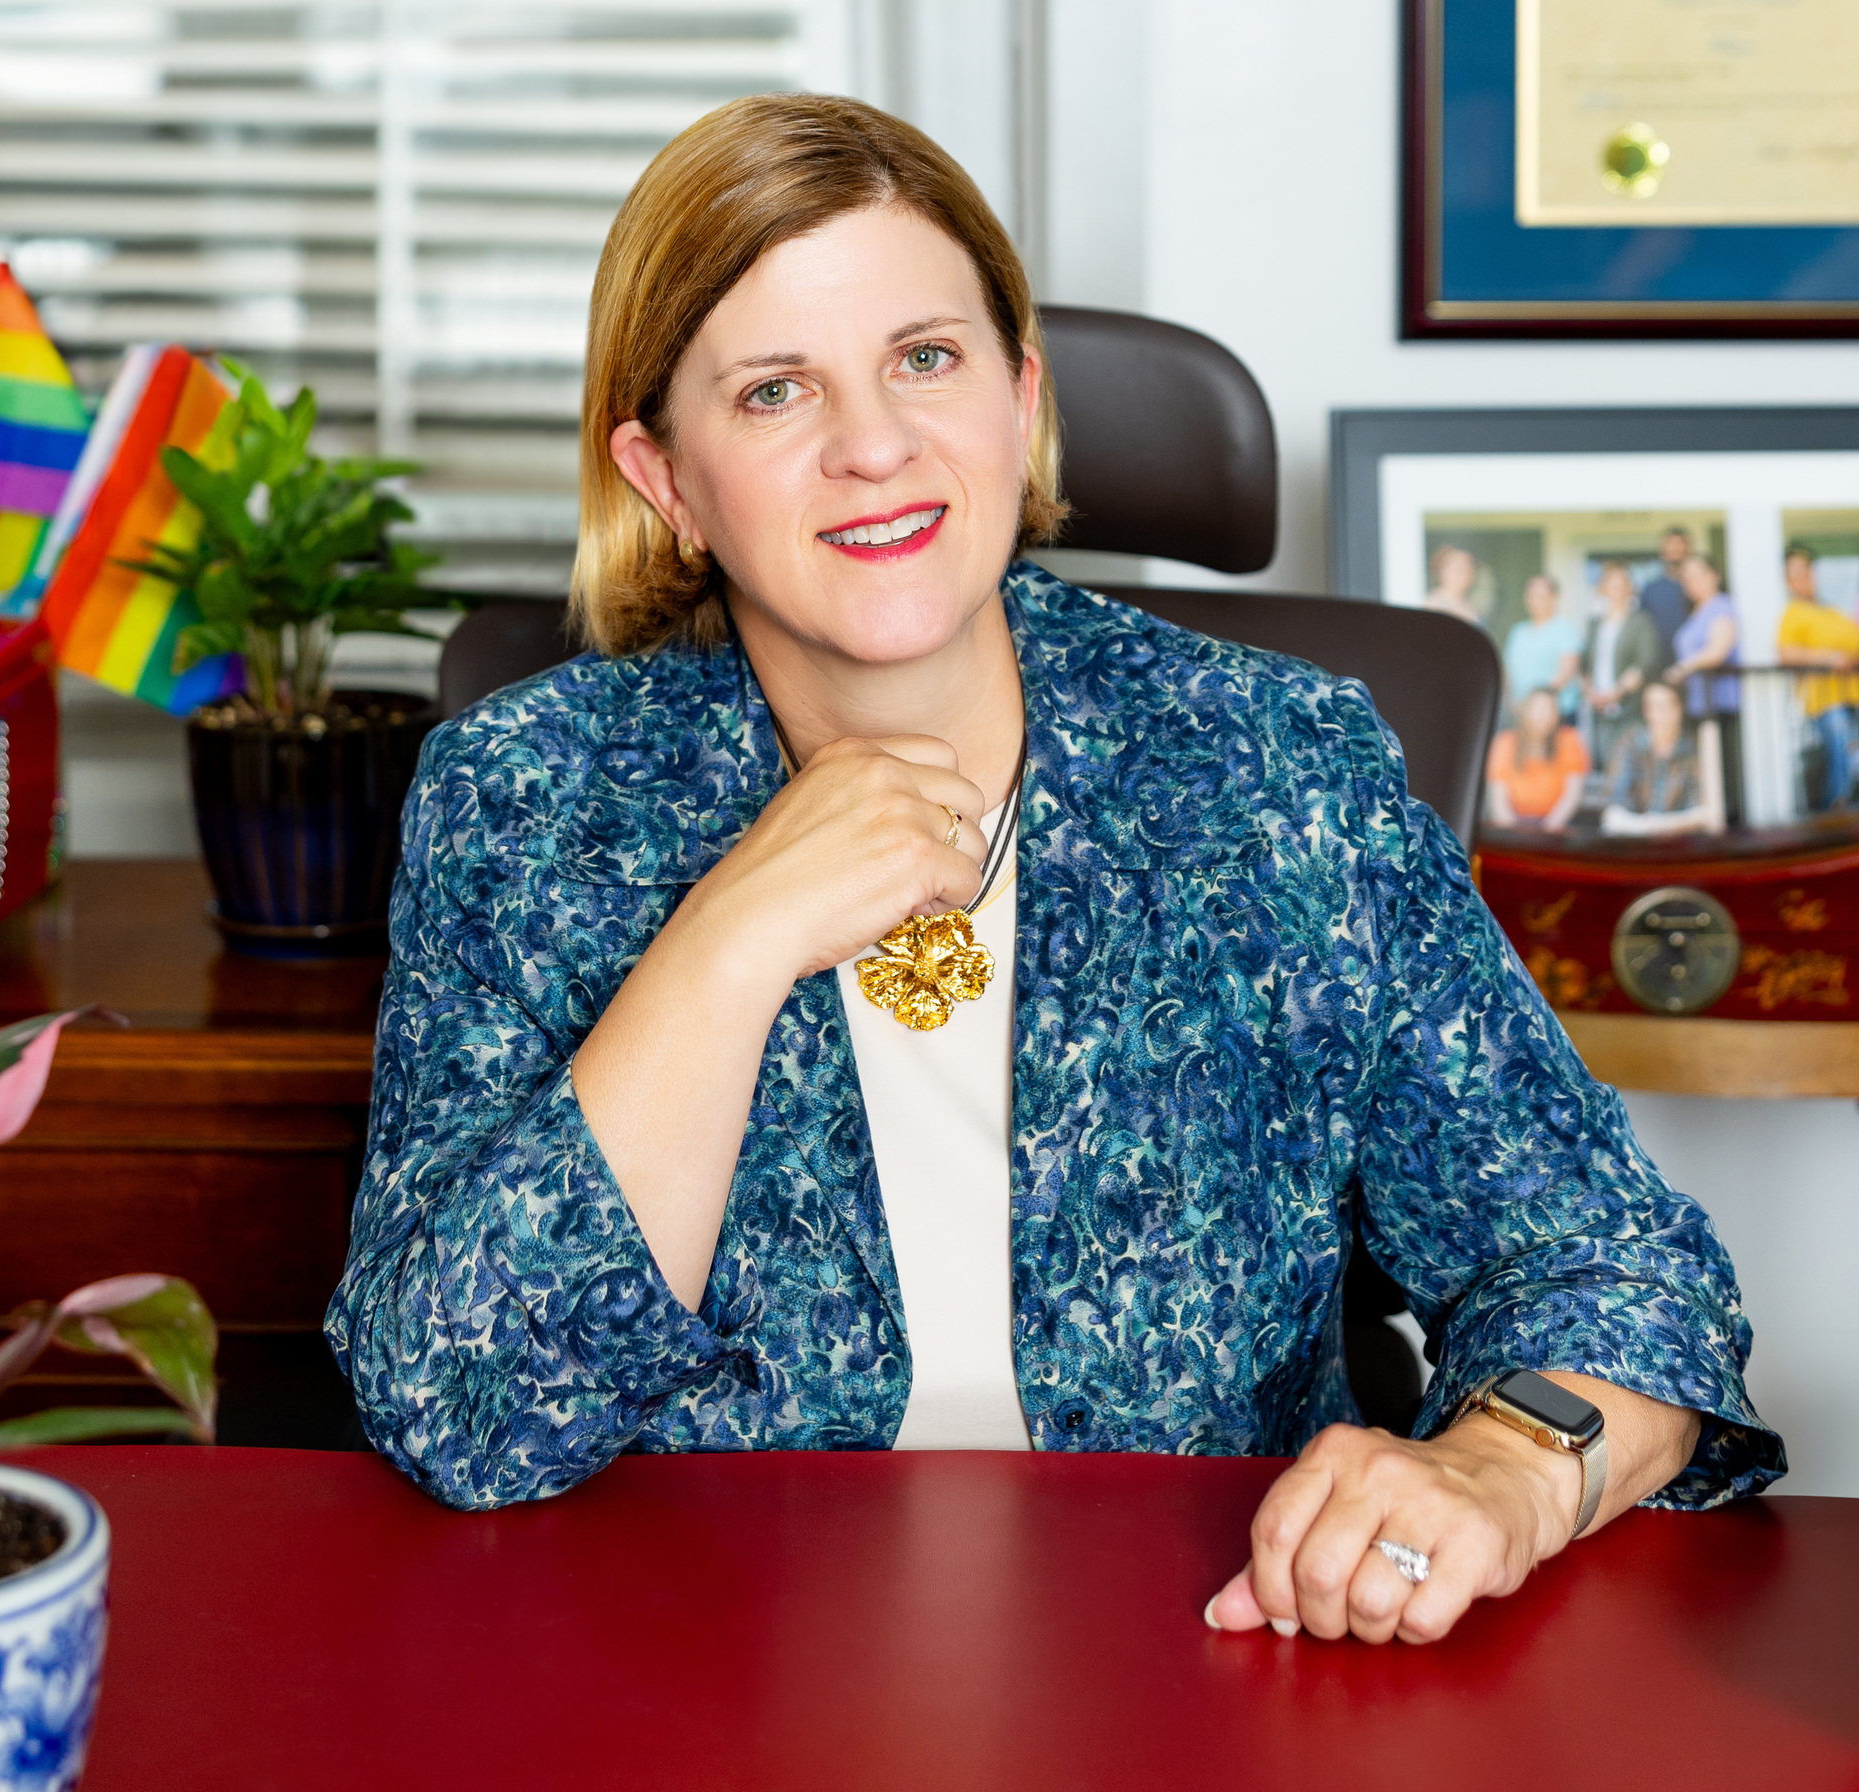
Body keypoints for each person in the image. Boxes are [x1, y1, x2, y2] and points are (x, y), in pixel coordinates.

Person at [328, 94, 1779, 1649]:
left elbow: (1614, 1265)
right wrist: (731, 938)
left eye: (927, 359)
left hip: (1203, 1659)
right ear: (666, 477)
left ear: (1020, 399)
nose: (874, 443)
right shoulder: (528, 798)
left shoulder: (1275, 769)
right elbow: (457, 1403)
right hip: (694, 1687)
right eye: (771, 392)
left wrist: (1502, 1464)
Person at [1775, 543, 1859, 810]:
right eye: (1794, 572)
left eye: (1806, 569)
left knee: (1849, 754)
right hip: (1825, 700)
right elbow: (1786, 654)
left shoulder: (1831, 610)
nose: (1802, 577)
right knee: (1841, 753)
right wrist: (1829, 658)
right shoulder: (1793, 612)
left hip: (1852, 696)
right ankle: (1836, 809)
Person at [1665, 553, 1741, 818]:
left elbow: (1717, 650)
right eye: (1686, 578)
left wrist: (1684, 667)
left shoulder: (1721, 606)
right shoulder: (1696, 611)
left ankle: (1727, 833)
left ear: (1714, 576)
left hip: (1718, 703)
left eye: (1698, 575)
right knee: (1705, 770)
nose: (1692, 582)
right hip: (1698, 704)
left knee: (1722, 772)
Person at [1602, 680, 1712, 836]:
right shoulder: (1629, 745)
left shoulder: (1694, 750)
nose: (1663, 713)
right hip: (1634, 842)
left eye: (1668, 705)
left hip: (1679, 844)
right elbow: (1614, 807)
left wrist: (1659, 826)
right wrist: (1646, 827)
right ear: (1646, 712)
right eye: (1656, 707)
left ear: (1680, 708)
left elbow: (1701, 811)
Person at [1582, 560, 1665, 747]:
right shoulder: (1594, 625)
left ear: (1631, 589)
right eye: (1612, 583)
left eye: (1622, 583)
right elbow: (1586, 665)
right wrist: (1590, 693)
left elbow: (1645, 663)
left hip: (1629, 709)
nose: (1617, 588)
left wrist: (1616, 693)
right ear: (1603, 589)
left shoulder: (1641, 622)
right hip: (1598, 711)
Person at [1485, 687, 1590, 830]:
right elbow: (1498, 801)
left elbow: (1572, 795)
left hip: (1556, 825)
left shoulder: (1570, 740)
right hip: (1511, 826)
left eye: (1549, 709)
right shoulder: (1504, 743)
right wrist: (1514, 834)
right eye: (1537, 708)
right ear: (1524, 711)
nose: (1542, 715)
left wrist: (1547, 830)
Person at [1502, 574, 1582, 720]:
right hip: (1521, 713)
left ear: (1554, 597)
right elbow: (1508, 672)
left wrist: (1537, 704)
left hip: (1556, 714)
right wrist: (1513, 703)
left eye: (1542, 595)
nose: (1537, 601)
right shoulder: (1518, 631)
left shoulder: (1564, 628)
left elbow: (1567, 670)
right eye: (1532, 595)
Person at [1639, 527, 1693, 644]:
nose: (1675, 548)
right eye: (1670, 543)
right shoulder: (1651, 589)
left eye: (1680, 543)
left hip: (1696, 657)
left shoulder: (1697, 586)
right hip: (1660, 657)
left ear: (1688, 549)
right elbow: (1643, 627)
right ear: (1662, 550)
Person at [1425, 544, 1485, 629]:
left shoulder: (1472, 606)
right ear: (1443, 572)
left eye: (1468, 567)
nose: (1465, 573)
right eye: (1458, 569)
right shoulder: (1433, 606)